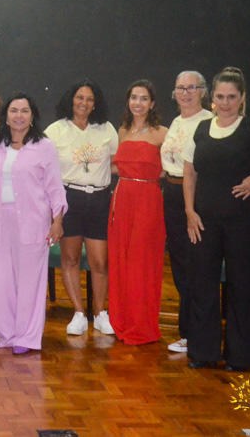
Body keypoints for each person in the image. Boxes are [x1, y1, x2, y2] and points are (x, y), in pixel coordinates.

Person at [183, 68, 250, 371]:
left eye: (232, 97)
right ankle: (203, 352)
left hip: (244, 222)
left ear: (241, 98)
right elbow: (190, 173)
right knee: (202, 284)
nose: (225, 102)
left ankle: (241, 357)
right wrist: (189, 212)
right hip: (203, 222)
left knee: (242, 286)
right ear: (212, 98)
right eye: (220, 96)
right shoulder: (201, 128)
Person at [0, 93, 66, 354]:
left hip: (33, 221)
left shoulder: (44, 146)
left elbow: (55, 186)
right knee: (0, 281)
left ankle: (27, 337)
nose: (19, 115)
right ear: (5, 116)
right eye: (14, 110)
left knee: (30, 282)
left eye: (24, 111)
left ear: (32, 116)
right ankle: (7, 334)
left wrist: (57, 220)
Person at [43, 79, 118, 337]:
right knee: (70, 259)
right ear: (71, 99)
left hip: (99, 199)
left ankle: (100, 313)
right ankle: (78, 313)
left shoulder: (106, 129)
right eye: (79, 97)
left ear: (95, 104)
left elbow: (117, 162)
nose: (84, 103)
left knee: (100, 262)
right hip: (69, 199)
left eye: (89, 99)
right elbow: (45, 168)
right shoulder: (55, 130)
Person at [108, 79, 168, 345]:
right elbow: (116, 167)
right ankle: (121, 321)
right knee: (120, 260)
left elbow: (173, 167)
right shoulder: (121, 132)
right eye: (134, 97)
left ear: (152, 103)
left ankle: (142, 325)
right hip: (121, 199)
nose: (138, 103)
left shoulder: (163, 133)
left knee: (141, 263)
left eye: (144, 98)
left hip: (147, 200)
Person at [159, 71, 213, 354]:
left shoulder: (209, 122)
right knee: (180, 267)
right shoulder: (176, 122)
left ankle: (197, 333)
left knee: (196, 268)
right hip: (171, 196)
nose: (186, 93)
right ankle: (189, 333)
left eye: (192, 87)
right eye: (181, 88)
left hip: (196, 199)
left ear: (203, 91)